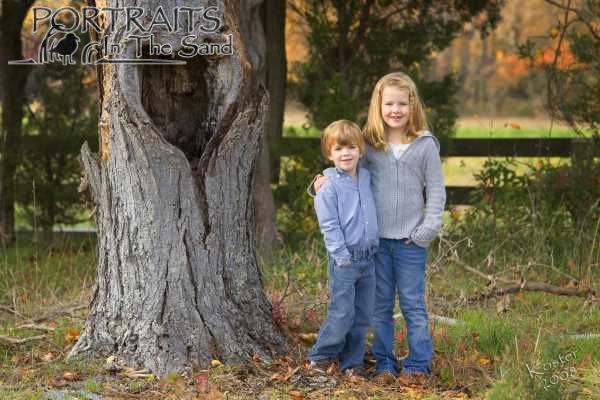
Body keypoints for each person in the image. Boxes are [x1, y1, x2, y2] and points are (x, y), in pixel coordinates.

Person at [310, 72, 446, 382]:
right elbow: (344, 172)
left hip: (412, 241)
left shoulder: (425, 145)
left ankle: (418, 365)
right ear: (378, 105)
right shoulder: (369, 144)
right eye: (389, 104)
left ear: (412, 105)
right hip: (376, 244)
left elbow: (437, 191)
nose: (395, 110)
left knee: (412, 304)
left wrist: (427, 231)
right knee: (380, 306)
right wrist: (318, 181)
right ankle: (385, 363)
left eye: (402, 103)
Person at [306, 119, 379, 380]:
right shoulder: (328, 185)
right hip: (344, 260)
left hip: (369, 259)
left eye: (351, 147)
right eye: (338, 149)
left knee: (362, 316)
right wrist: (341, 256)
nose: (345, 153)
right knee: (342, 313)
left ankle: (352, 362)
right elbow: (329, 225)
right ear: (329, 154)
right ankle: (320, 357)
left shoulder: (366, 176)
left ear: (360, 150)